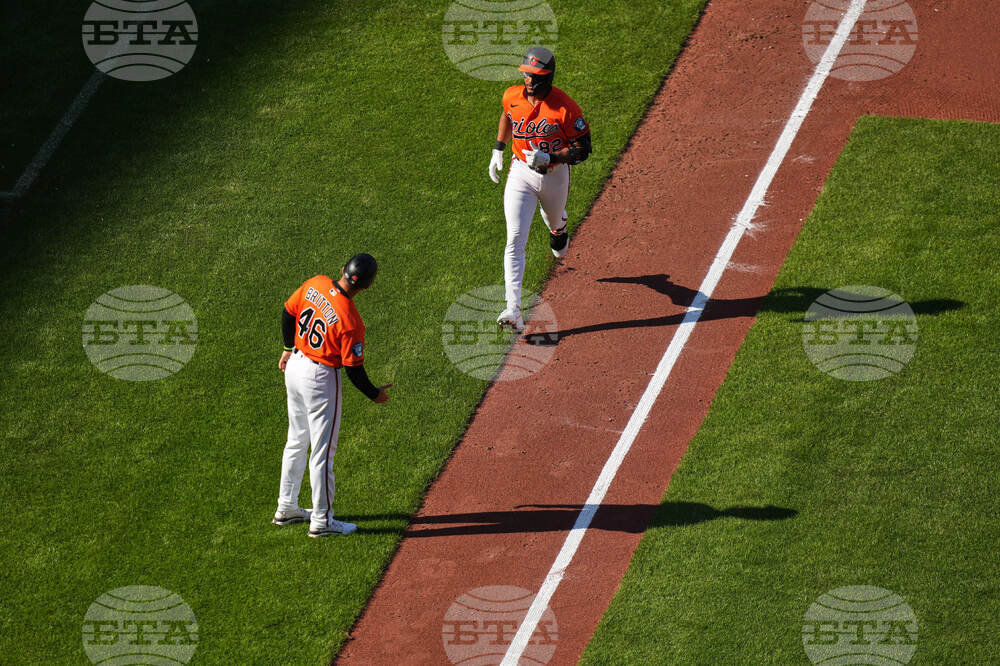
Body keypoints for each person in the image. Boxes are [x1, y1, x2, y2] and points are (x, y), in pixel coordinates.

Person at [273, 253, 391, 537]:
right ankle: (322, 521)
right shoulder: (351, 320)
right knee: (323, 452)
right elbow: (354, 370)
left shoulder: (315, 283)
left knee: (296, 440)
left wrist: (288, 348)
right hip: (321, 379)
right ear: (368, 285)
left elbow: (288, 312)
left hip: (296, 366)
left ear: (342, 271)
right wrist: (375, 394)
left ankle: (287, 506)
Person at [489, 46, 593, 332]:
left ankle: (559, 229)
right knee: (515, 240)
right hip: (521, 174)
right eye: (526, 75)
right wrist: (498, 149)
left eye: (535, 76)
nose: (529, 81)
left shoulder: (565, 108)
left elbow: (584, 149)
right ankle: (513, 309)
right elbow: (506, 116)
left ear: (548, 77)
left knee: (554, 222)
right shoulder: (512, 95)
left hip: (554, 177)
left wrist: (553, 158)